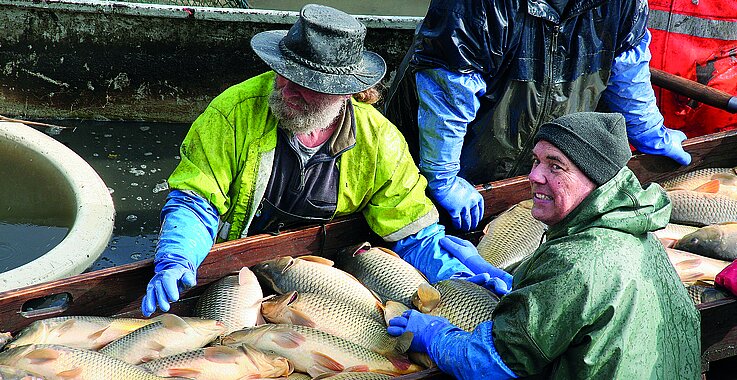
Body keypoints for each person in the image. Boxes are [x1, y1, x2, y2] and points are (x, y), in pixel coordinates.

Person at [140, 4, 500, 316]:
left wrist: (457, 276)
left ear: (344, 92)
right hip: (235, 271)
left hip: (318, 275)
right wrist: (177, 255)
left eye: (308, 83)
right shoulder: (233, 113)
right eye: (286, 73)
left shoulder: (381, 143)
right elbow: (196, 199)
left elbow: (411, 233)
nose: (288, 88)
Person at [388, 112, 701, 379]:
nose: (534, 175)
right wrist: (513, 283)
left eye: (556, 165)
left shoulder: (577, 260)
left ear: (595, 178)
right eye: (536, 161)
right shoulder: (635, 233)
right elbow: (586, 303)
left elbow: (493, 364)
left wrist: (433, 335)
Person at [383, 0, 692, 232]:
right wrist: (442, 176)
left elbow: (628, 70)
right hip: (448, 157)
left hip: (538, 169)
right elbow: (449, 93)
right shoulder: (476, 4)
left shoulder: (621, 3)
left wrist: (650, 132)